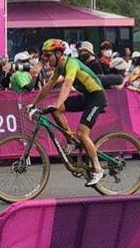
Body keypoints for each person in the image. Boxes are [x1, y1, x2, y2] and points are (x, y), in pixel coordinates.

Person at [29, 39, 106, 187]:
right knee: (57, 111)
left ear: (59, 54)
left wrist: (57, 102)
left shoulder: (71, 63)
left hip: (97, 97)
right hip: (86, 97)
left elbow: (67, 85)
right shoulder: (59, 67)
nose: (45, 59)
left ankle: (98, 169)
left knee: (82, 134)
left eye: (48, 55)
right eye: (44, 55)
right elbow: (48, 86)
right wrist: (33, 103)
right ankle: (70, 140)